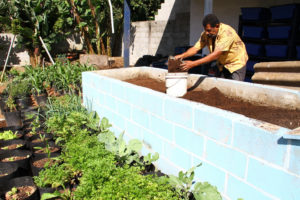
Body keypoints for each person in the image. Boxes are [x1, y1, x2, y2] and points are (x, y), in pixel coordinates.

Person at [175, 14, 248, 81]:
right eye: (205, 30)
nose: (206, 33)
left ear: (217, 26)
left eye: (209, 30)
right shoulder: (206, 34)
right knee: (220, 87)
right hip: (222, 64)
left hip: (236, 63)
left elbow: (215, 55)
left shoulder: (227, 33)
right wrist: (181, 56)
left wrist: (193, 64)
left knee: (235, 89)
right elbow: (195, 48)